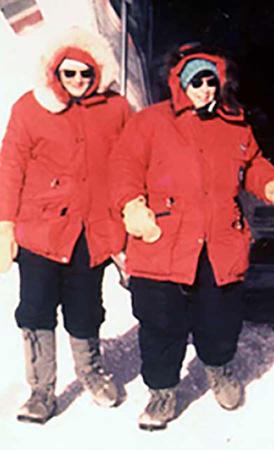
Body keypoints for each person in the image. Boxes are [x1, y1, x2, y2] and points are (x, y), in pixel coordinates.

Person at [109, 43, 274, 430]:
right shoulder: (149, 122)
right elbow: (123, 167)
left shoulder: (235, 123)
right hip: (163, 239)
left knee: (221, 318)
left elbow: (252, 162)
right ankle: (161, 392)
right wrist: (131, 205)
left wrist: (268, 181)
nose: (204, 90)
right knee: (160, 322)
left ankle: (219, 369)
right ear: (180, 84)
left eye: (211, 82)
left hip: (219, 239)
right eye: (196, 83)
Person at [0, 27, 130, 424]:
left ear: (97, 73)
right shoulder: (30, 108)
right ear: (55, 72)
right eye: (69, 73)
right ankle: (41, 390)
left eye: (85, 74)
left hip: (91, 231)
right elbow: (10, 167)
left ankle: (91, 373)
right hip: (40, 232)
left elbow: (130, 164)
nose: (77, 81)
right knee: (36, 309)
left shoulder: (117, 109)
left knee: (86, 308)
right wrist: (5, 224)